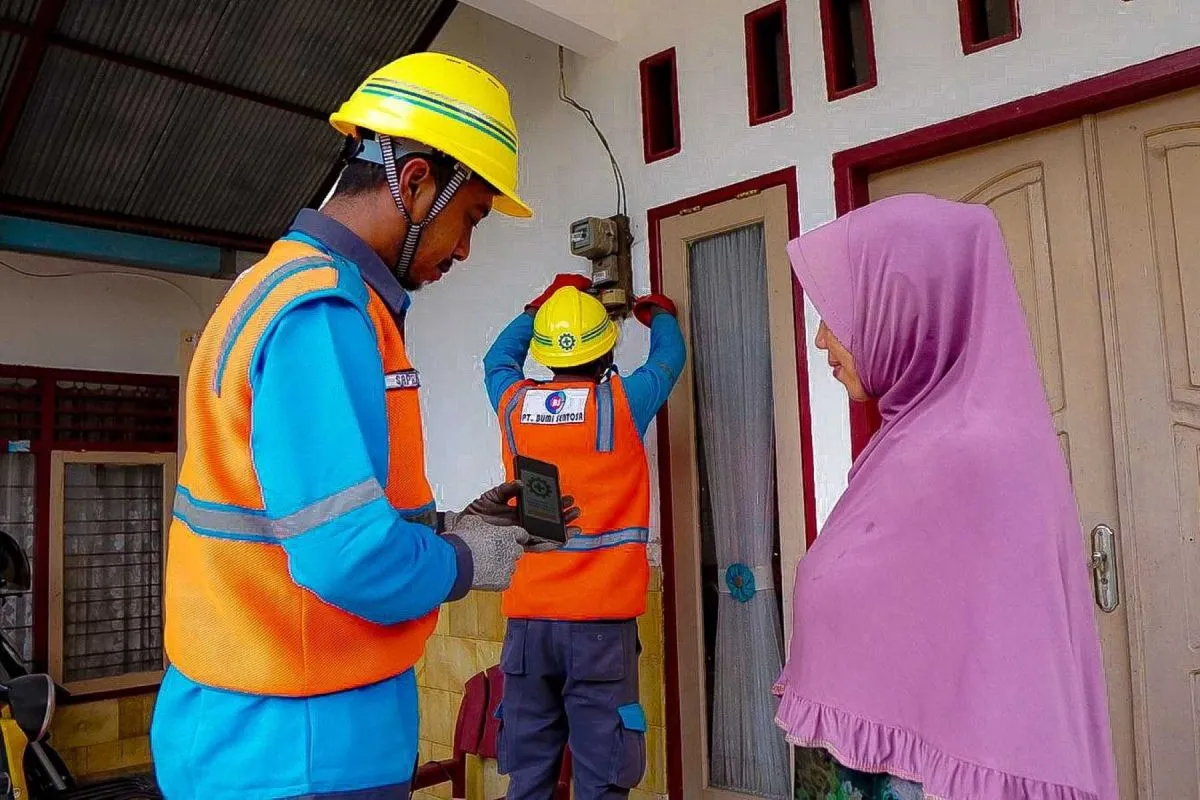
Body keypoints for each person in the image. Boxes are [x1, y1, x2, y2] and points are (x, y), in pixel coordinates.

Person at [151, 52, 559, 800]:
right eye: (470, 218)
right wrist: (466, 559)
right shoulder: (322, 311)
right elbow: (345, 555)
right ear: (416, 182)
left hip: (264, 732)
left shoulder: (278, 287)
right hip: (299, 747)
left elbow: (300, 515)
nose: (464, 250)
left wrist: (446, 527)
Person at [776, 194, 1118, 800]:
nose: (822, 340)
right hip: (882, 763)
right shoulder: (912, 438)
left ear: (903, 306)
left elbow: (998, 672)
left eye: (838, 316)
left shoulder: (970, 450)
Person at [482, 277, 686, 800]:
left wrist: (537, 307)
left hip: (529, 625)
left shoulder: (513, 405)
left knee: (528, 778)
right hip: (599, 630)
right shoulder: (622, 403)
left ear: (546, 354)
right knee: (602, 779)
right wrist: (659, 315)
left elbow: (497, 359)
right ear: (607, 352)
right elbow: (669, 359)